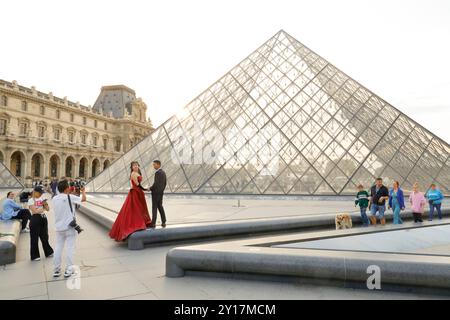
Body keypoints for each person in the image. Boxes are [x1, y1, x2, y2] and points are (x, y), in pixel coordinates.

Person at [52, 179, 86, 278]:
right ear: (67, 188)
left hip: (59, 227)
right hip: (70, 227)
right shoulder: (70, 197)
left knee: (58, 247)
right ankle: (69, 269)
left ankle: (56, 270)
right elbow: (83, 199)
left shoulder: (54, 198)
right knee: (70, 248)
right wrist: (83, 191)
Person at [109, 161, 152, 241]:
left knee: (139, 208)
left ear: (138, 166)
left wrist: (144, 190)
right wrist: (145, 189)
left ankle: (141, 222)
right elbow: (137, 184)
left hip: (138, 192)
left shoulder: (137, 173)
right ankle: (137, 224)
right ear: (131, 167)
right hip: (135, 192)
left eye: (136, 165)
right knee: (135, 209)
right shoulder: (133, 174)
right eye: (134, 166)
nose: (135, 167)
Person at [28, 186, 54, 261]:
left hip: (43, 218)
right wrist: (43, 208)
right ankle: (35, 255)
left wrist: (45, 204)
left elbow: (48, 209)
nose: (40, 194)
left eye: (41, 193)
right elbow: (34, 211)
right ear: (35, 192)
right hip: (35, 219)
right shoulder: (31, 200)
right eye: (39, 193)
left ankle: (48, 252)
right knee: (34, 238)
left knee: (45, 236)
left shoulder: (42, 199)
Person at [149, 160, 167, 229]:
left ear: (158, 165)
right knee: (160, 207)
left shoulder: (157, 173)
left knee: (154, 207)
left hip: (155, 193)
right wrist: (161, 191)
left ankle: (153, 223)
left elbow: (155, 184)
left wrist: (150, 188)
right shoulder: (163, 172)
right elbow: (165, 183)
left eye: (154, 164)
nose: (153, 166)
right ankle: (164, 221)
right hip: (160, 193)